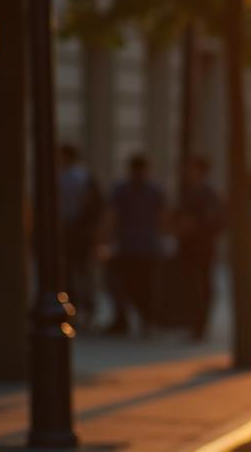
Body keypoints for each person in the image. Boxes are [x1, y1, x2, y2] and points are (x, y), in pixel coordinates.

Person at [105, 154, 168, 336]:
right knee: (144, 286)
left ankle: (131, 319)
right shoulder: (152, 191)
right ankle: (144, 320)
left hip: (132, 246)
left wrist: (104, 238)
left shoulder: (123, 190)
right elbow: (163, 218)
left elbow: (111, 217)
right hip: (144, 246)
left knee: (129, 285)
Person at [171, 156, 224, 342]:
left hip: (198, 246)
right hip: (200, 246)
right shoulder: (203, 191)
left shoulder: (201, 193)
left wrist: (185, 230)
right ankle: (197, 325)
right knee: (199, 285)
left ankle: (198, 325)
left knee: (198, 285)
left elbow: (205, 220)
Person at [58, 144, 105, 323]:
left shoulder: (79, 177)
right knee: (78, 272)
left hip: (75, 231)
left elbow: (94, 204)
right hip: (76, 231)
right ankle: (82, 308)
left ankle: (82, 308)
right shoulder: (82, 177)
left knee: (78, 271)